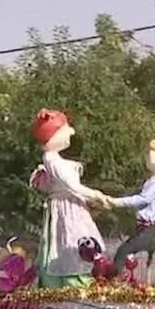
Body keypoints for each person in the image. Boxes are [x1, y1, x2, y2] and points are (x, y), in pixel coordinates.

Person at [28, 110, 108, 287]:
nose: (71, 132)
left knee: (72, 240)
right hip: (66, 210)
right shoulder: (53, 160)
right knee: (68, 241)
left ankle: (74, 278)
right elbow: (72, 186)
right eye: (65, 129)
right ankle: (70, 280)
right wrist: (96, 194)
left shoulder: (54, 161)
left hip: (71, 206)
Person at [107, 139, 155, 276]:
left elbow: (142, 199)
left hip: (149, 229)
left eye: (152, 153)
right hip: (143, 228)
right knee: (127, 253)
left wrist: (115, 202)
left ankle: (113, 281)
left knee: (124, 251)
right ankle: (121, 279)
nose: (147, 155)